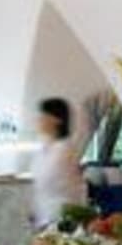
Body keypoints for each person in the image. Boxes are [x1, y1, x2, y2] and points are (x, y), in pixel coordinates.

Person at [30, 97, 87, 230]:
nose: (39, 120)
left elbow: (47, 181)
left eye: (43, 116)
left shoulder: (64, 149)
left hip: (61, 220)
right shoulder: (46, 148)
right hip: (45, 219)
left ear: (57, 119)